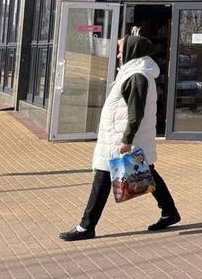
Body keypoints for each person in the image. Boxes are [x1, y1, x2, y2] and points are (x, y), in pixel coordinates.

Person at [59, 35, 181, 241]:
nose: (118, 55)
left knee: (102, 178)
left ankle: (86, 226)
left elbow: (136, 113)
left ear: (132, 51)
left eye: (121, 50)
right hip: (119, 136)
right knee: (147, 172)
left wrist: (126, 139)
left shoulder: (137, 76)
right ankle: (169, 212)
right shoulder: (133, 74)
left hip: (119, 138)